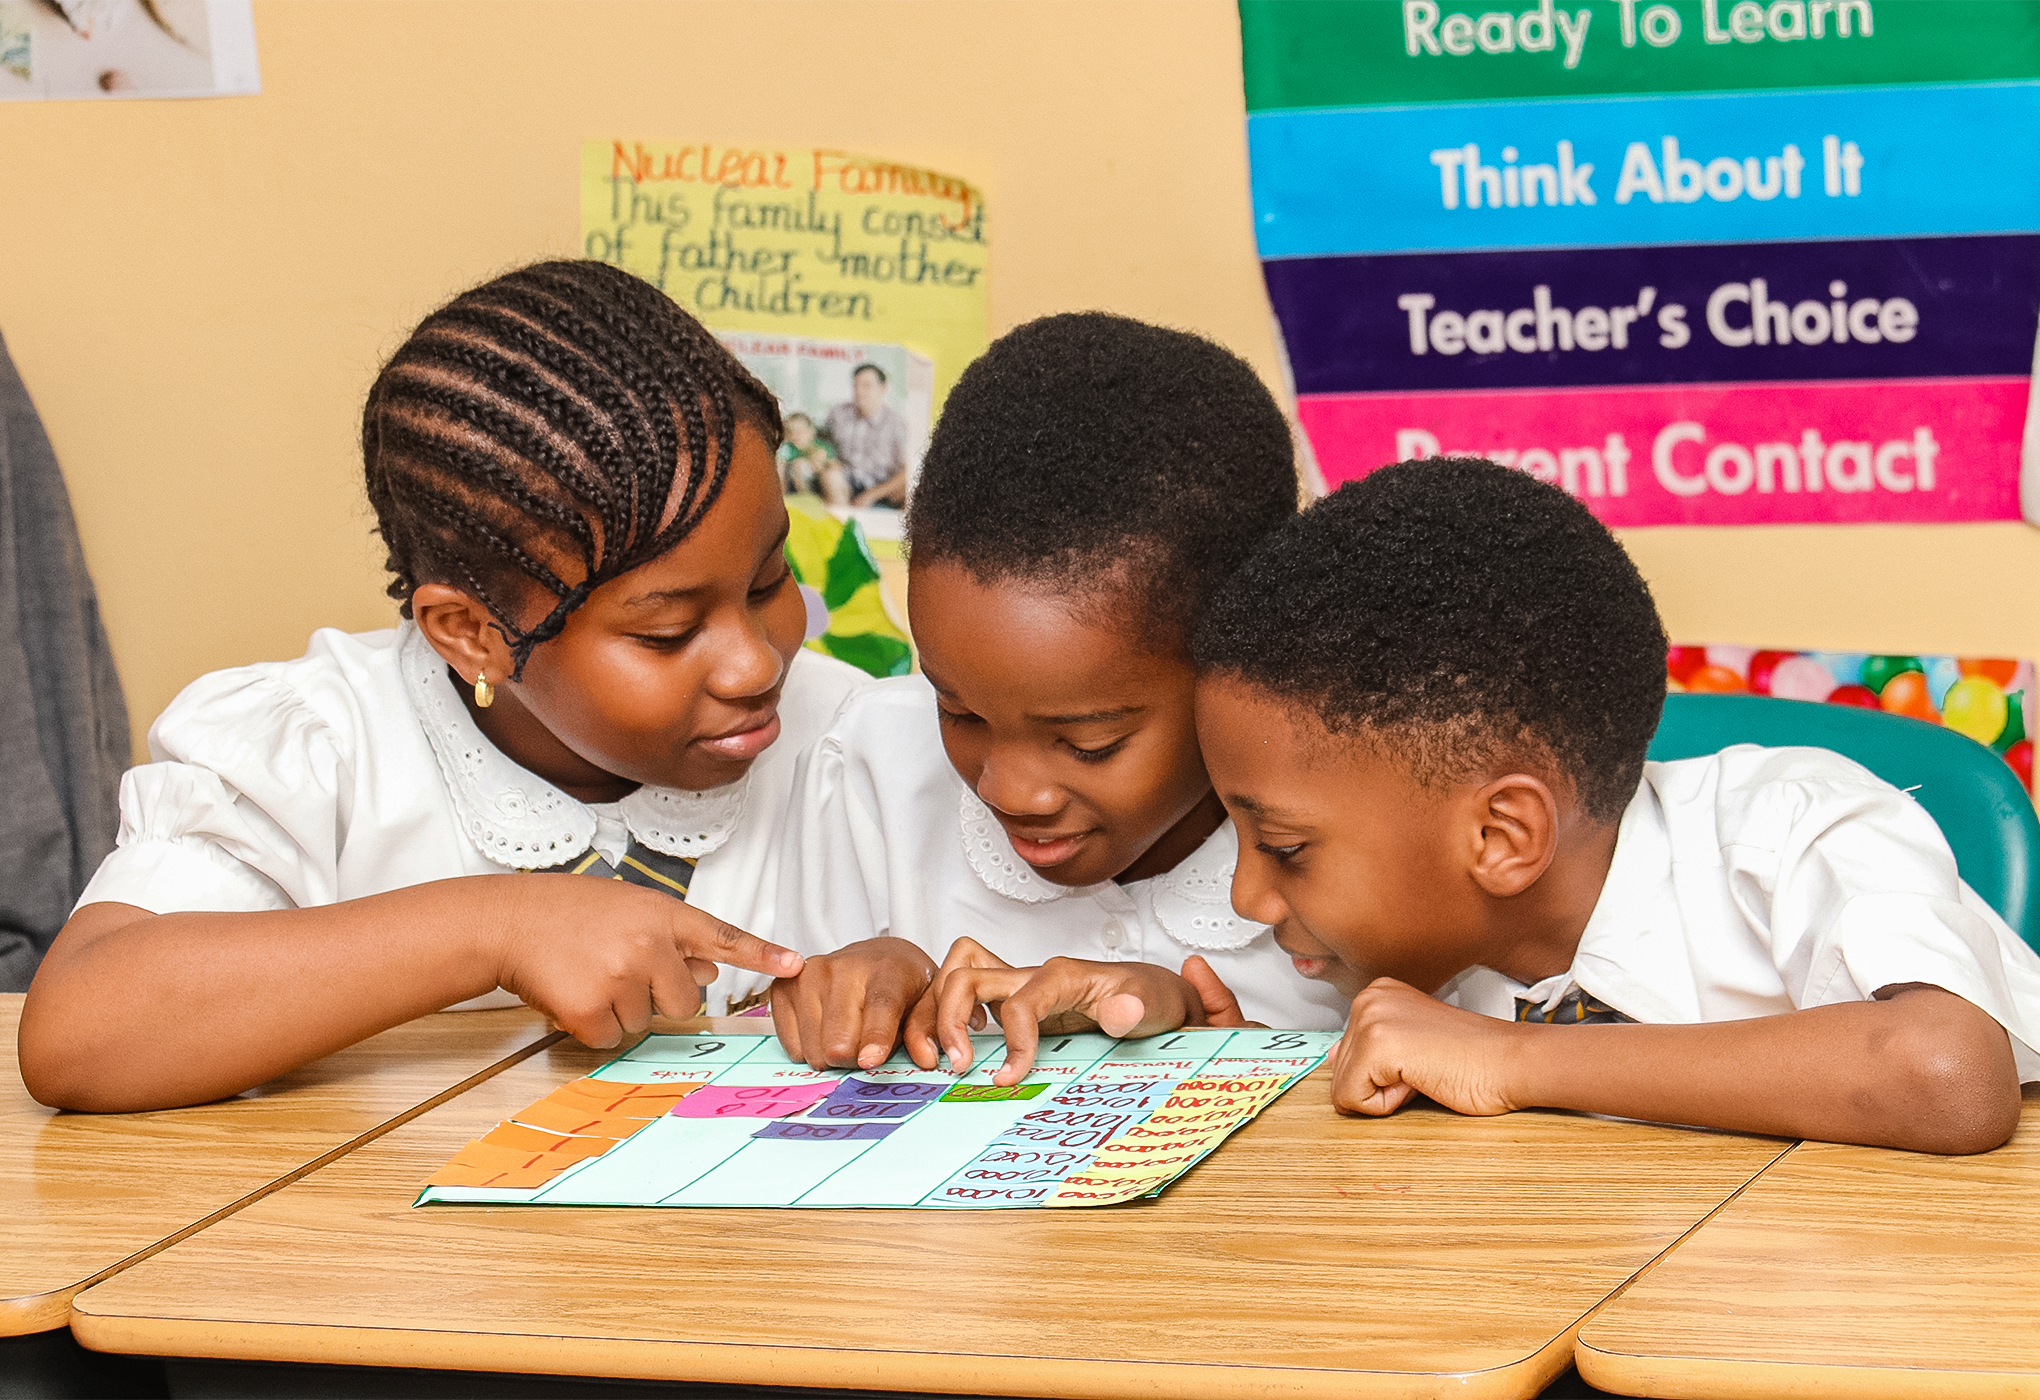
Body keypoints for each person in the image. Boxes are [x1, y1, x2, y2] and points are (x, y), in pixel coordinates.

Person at [19, 261, 870, 1113]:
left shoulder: (853, 741)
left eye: (768, 581)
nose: (756, 663)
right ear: (472, 634)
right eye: (668, 633)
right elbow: (79, 1034)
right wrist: (500, 927)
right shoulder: (325, 747)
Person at [1192, 456, 2040, 1155]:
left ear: (1500, 835)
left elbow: (1946, 1075)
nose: (1246, 899)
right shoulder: (1413, 956)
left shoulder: (1787, 831)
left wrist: (1515, 1059)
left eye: (1284, 847)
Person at [769, 313, 1351, 1086]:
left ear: (1239, 669)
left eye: (1089, 743)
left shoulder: (1356, 819)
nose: (1009, 791)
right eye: (960, 712)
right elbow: (798, 1049)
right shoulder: (876, 764)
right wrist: (862, 981)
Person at [824, 362, 910, 509]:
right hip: (846, 483)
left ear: (883, 389)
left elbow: (909, 470)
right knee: (830, 476)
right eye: (855, 385)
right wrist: (827, 458)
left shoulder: (897, 423)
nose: (859, 391)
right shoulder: (838, 413)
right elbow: (821, 442)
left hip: (882, 489)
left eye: (866, 386)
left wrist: (872, 495)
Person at [775, 411, 845, 504]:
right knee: (798, 465)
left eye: (800, 431)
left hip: (821, 483)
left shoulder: (821, 446)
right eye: (791, 432)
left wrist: (821, 463)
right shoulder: (788, 449)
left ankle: (835, 505)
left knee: (833, 475)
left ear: (811, 431)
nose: (796, 435)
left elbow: (835, 465)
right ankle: (805, 499)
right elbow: (780, 470)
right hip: (798, 487)